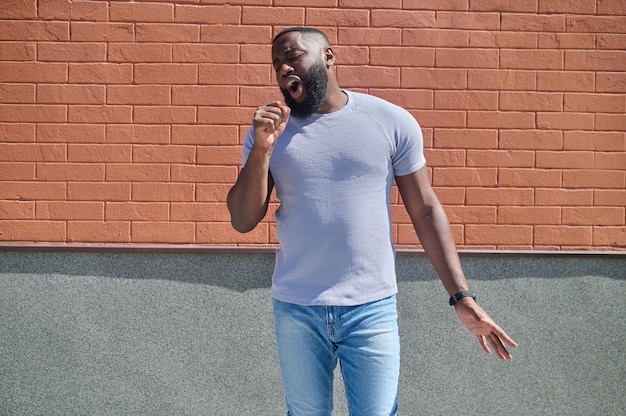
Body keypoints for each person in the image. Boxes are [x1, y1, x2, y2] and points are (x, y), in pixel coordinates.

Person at [227, 27, 517, 416]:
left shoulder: (389, 121)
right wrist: (261, 150)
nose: (283, 67)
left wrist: (461, 297)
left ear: (328, 56)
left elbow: (425, 210)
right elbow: (243, 220)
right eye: (277, 63)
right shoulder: (270, 133)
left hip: (371, 308)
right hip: (297, 306)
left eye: (292, 56)